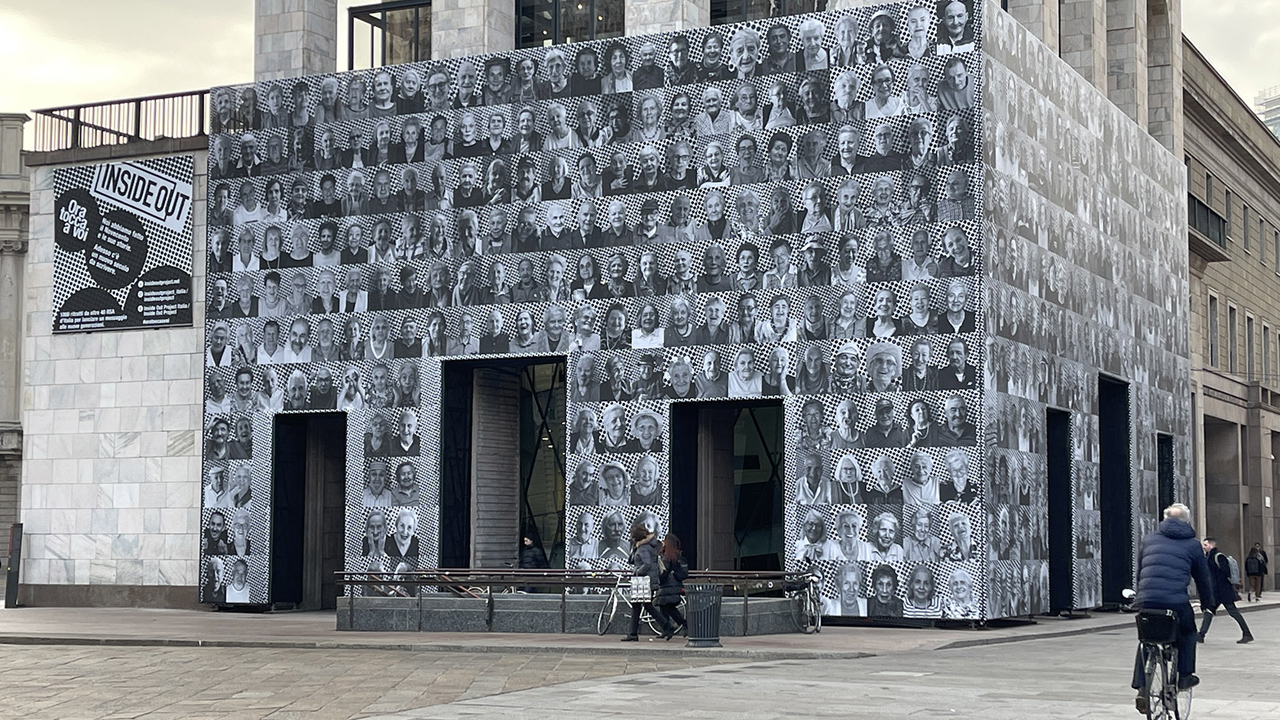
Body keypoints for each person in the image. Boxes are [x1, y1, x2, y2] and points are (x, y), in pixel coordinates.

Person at [1131, 503, 1215, 704]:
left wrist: (1140, 597)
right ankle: (1185, 675)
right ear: (1187, 521)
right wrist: (1208, 603)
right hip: (1175, 602)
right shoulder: (1193, 545)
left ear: (1165, 519)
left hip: (1147, 600)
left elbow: (1141, 571)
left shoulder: (1149, 540)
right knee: (1188, 632)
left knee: (1147, 638)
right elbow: (1203, 578)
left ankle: (1141, 686)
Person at [621, 522, 676, 641]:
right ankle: (633, 633)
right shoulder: (644, 547)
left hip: (644, 582)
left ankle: (667, 626)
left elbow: (646, 565)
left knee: (645, 605)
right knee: (640, 606)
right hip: (647, 581)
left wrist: (636, 572)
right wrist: (634, 548)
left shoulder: (644, 548)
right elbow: (631, 560)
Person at [1198, 537, 1254, 644]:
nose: (1203, 547)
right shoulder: (1208, 557)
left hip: (1223, 591)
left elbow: (1226, 572)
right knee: (1208, 612)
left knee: (1233, 612)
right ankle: (1201, 634)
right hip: (1216, 592)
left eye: (1205, 545)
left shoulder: (1218, 557)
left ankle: (1247, 634)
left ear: (1211, 545)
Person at [655, 534, 689, 636]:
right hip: (675, 586)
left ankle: (682, 625)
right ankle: (667, 629)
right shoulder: (677, 555)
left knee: (667, 608)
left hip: (667, 587)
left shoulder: (666, 557)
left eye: (665, 541)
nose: (663, 543)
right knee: (666, 607)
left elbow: (663, 571)